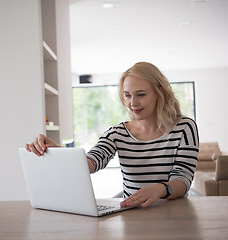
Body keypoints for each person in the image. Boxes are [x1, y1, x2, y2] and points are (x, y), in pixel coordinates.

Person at [26, 62, 199, 208]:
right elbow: (91, 162)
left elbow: (183, 179)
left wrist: (159, 189)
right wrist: (55, 150)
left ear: (159, 92)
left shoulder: (185, 128)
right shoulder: (117, 133)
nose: (133, 103)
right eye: (127, 96)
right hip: (134, 216)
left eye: (141, 94)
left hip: (174, 213)